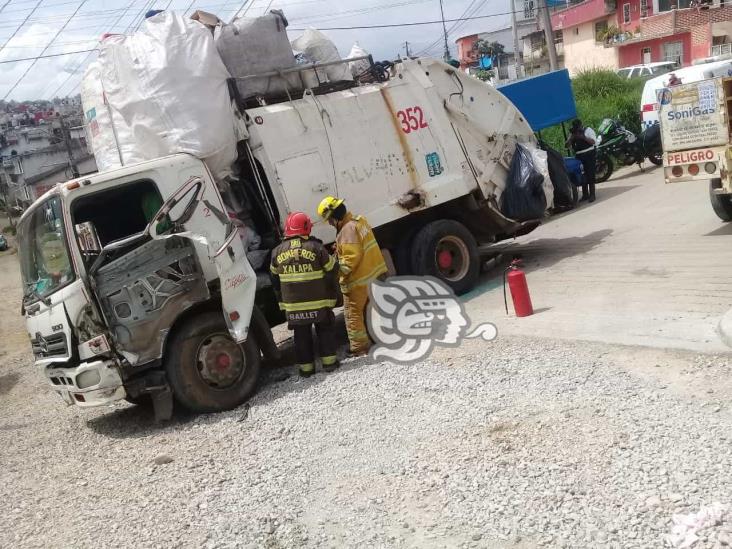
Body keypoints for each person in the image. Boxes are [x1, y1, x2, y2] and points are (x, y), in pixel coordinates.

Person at [270, 212, 339, 377]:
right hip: (318, 303)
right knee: (324, 331)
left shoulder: (276, 252)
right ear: (306, 227)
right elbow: (332, 269)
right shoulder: (316, 247)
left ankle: (306, 370)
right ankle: (329, 364)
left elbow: (274, 280)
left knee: (301, 337)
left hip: (294, 307)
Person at [317, 196, 388, 356]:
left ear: (334, 216)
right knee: (374, 310)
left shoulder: (346, 230)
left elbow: (350, 260)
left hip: (358, 281)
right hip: (374, 273)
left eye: (329, 220)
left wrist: (336, 272)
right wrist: (340, 248)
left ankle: (359, 347)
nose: (329, 223)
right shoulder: (359, 220)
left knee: (353, 314)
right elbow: (359, 246)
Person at [566, 119, 597, 203]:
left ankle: (592, 195)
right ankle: (585, 195)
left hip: (589, 154)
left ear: (581, 125)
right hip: (579, 156)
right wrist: (571, 138)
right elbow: (566, 145)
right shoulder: (572, 133)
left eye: (578, 127)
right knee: (582, 175)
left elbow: (593, 142)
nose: (577, 129)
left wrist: (583, 137)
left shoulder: (587, 130)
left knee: (590, 174)